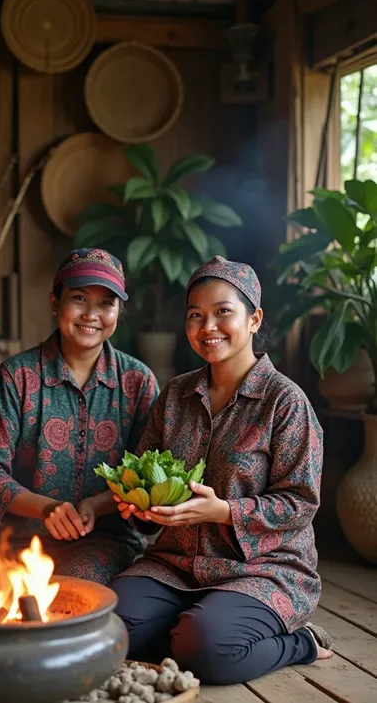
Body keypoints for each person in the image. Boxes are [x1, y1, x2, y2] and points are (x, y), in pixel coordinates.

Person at [111, 255, 333, 685]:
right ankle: (190, 627)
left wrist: (225, 512)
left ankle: (301, 642)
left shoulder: (285, 403)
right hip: (175, 563)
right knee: (108, 631)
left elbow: (300, 502)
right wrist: (137, 505)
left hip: (263, 568)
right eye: (196, 315)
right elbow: (144, 474)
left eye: (222, 312)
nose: (207, 326)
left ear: (254, 319)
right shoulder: (175, 395)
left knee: (209, 649)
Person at [0, 248, 159, 584]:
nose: (91, 314)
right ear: (55, 302)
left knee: (65, 595)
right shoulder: (16, 376)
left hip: (102, 541)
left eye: (106, 303)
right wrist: (45, 508)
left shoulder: (138, 381)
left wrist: (96, 504)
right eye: (78, 297)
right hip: (16, 539)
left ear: (119, 310)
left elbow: (145, 478)